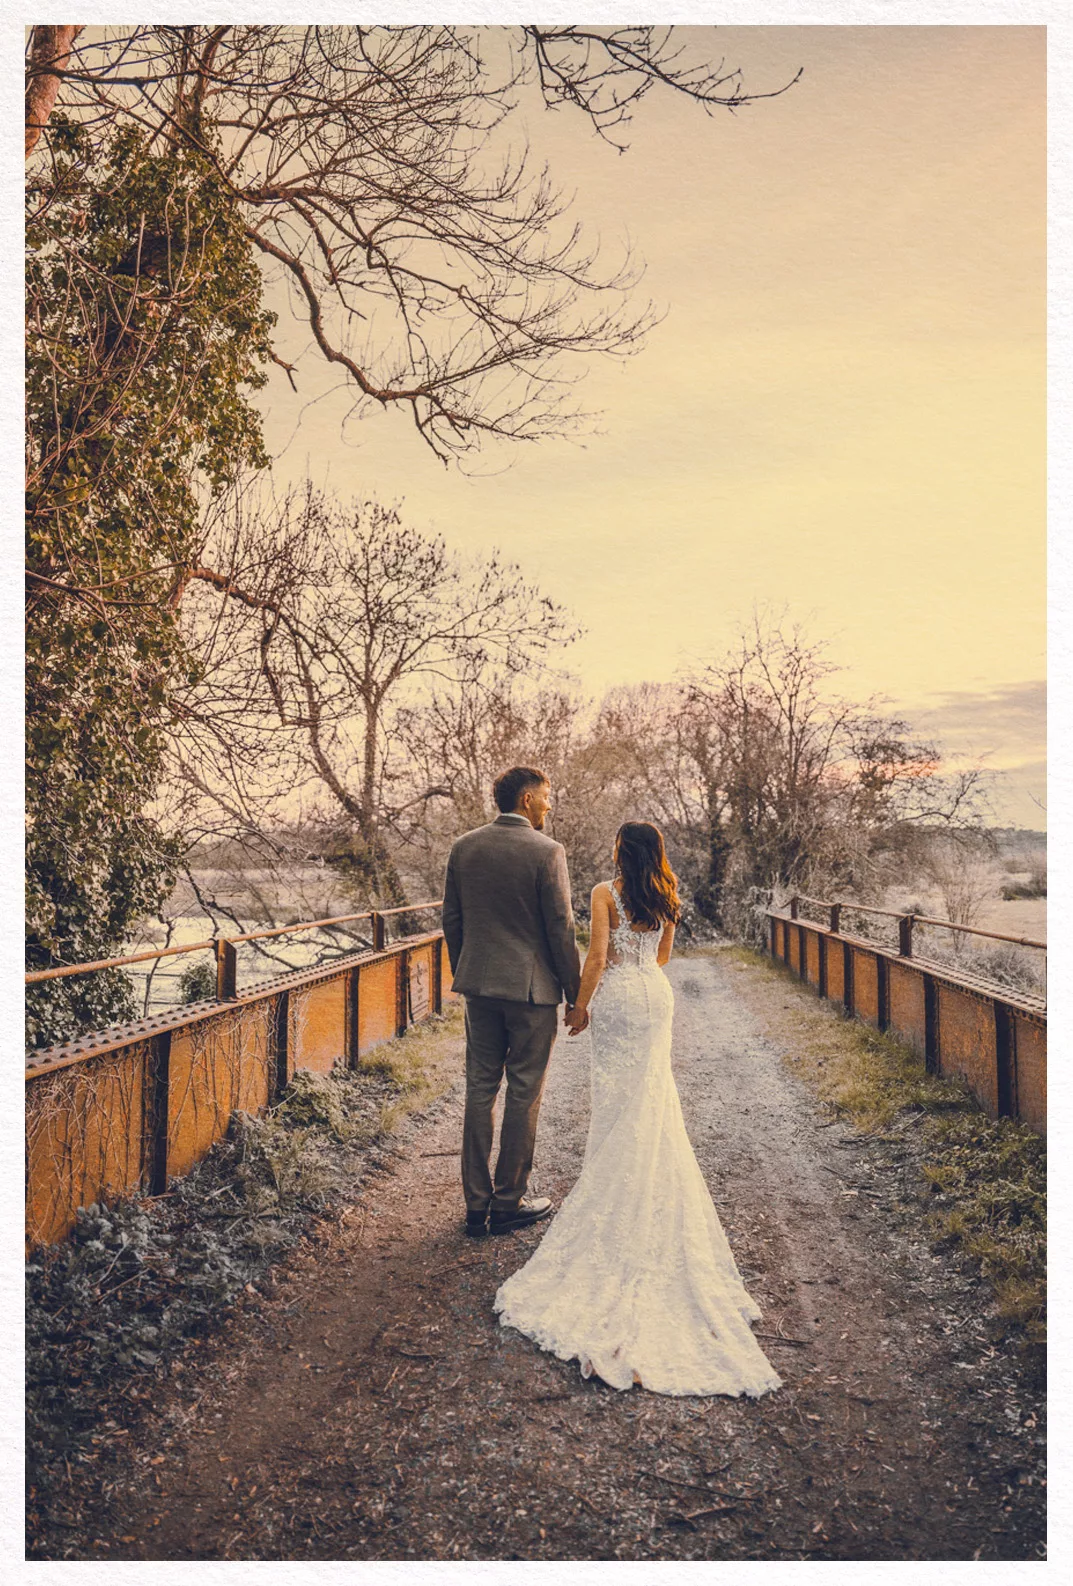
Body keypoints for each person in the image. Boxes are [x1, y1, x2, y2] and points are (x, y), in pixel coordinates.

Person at [494, 821, 782, 1398]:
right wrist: (640, 965)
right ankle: (648, 1184)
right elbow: (665, 956)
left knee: (620, 1101)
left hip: (621, 999)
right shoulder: (668, 891)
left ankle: (616, 1189)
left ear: (620, 849)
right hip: (655, 995)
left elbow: (598, 957)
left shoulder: (606, 892)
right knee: (653, 1098)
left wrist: (580, 1007)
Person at [442, 766, 583, 1239]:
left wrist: (469, 970)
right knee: (524, 1093)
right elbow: (561, 928)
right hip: (531, 992)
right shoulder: (547, 851)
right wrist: (575, 994)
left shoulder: (464, 847)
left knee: (479, 1089)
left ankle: (474, 1206)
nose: (549, 804)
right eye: (546, 796)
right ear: (526, 799)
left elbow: (452, 920)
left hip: (479, 988)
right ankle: (507, 1203)